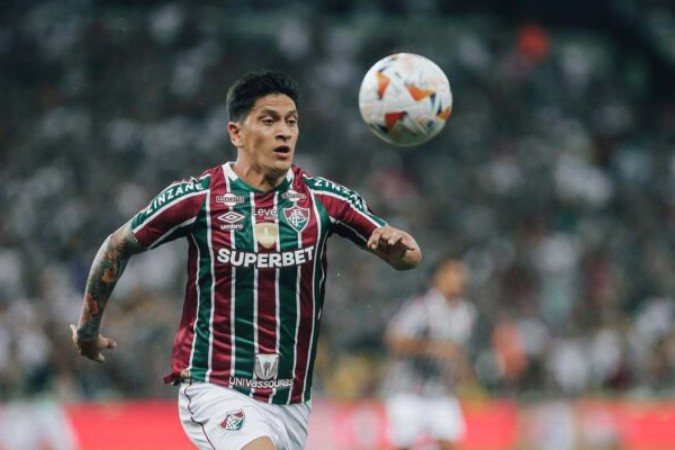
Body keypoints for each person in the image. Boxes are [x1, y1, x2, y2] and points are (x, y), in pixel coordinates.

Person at [69, 71, 422, 450]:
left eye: (291, 122)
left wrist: (399, 250)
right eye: (269, 120)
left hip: (291, 400)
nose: (284, 132)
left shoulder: (322, 199)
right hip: (216, 385)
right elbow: (118, 244)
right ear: (236, 133)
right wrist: (88, 330)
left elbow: (409, 257)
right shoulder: (200, 197)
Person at [382, 255, 475, 450]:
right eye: (453, 273)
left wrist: (463, 370)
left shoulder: (465, 313)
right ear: (438, 277)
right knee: (403, 445)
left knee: (450, 443)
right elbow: (394, 339)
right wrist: (430, 348)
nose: (459, 278)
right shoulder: (421, 307)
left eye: (460, 274)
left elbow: (457, 351)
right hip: (409, 390)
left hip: (442, 393)